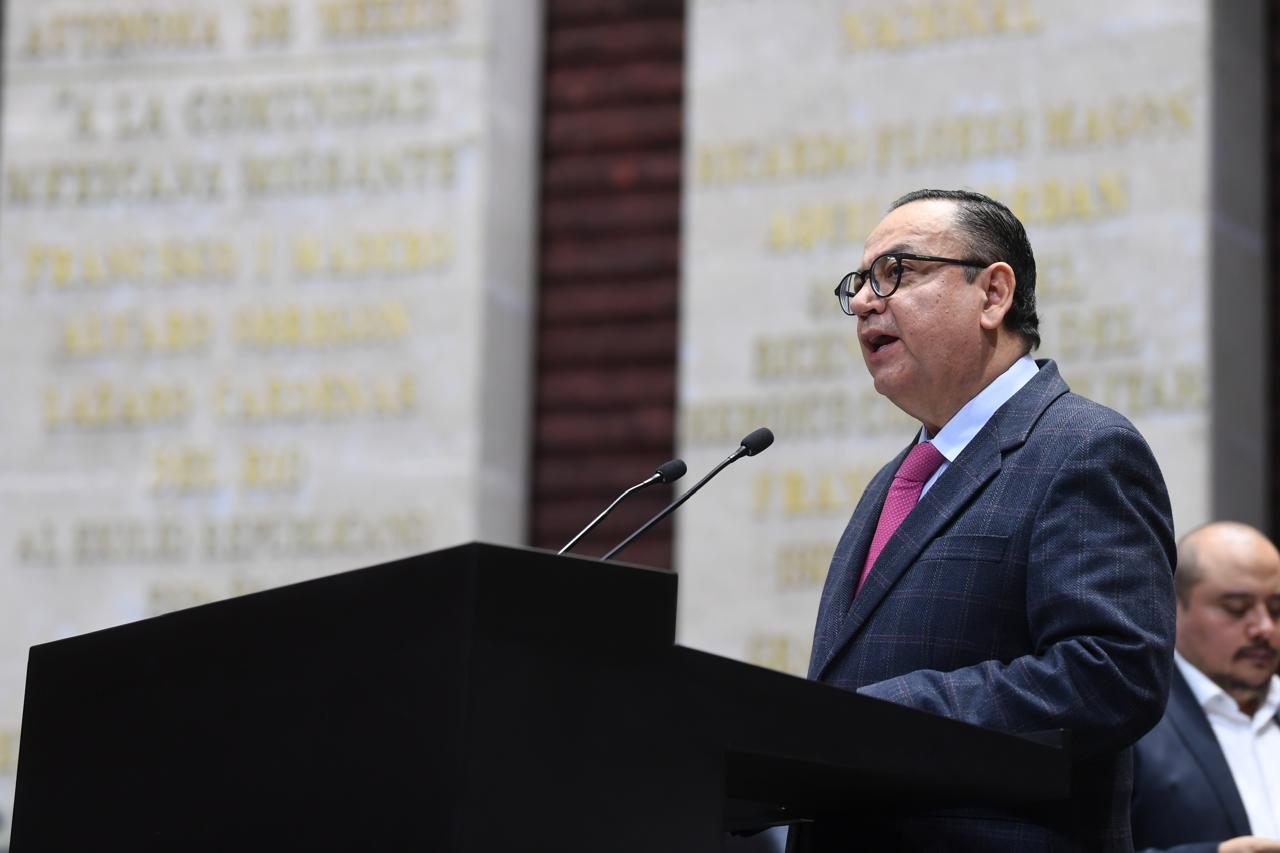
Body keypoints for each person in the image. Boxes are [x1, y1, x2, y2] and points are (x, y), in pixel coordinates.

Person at [798, 189, 1177, 850]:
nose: (862, 303)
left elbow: (1113, 672)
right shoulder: (896, 481)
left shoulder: (1083, 447)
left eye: (895, 272)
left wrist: (887, 716)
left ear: (993, 294)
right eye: (858, 284)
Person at [1131, 522, 1280, 853]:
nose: (1264, 628)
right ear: (1173, 606)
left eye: (1276, 609)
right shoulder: (1134, 718)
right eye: (1237, 608)